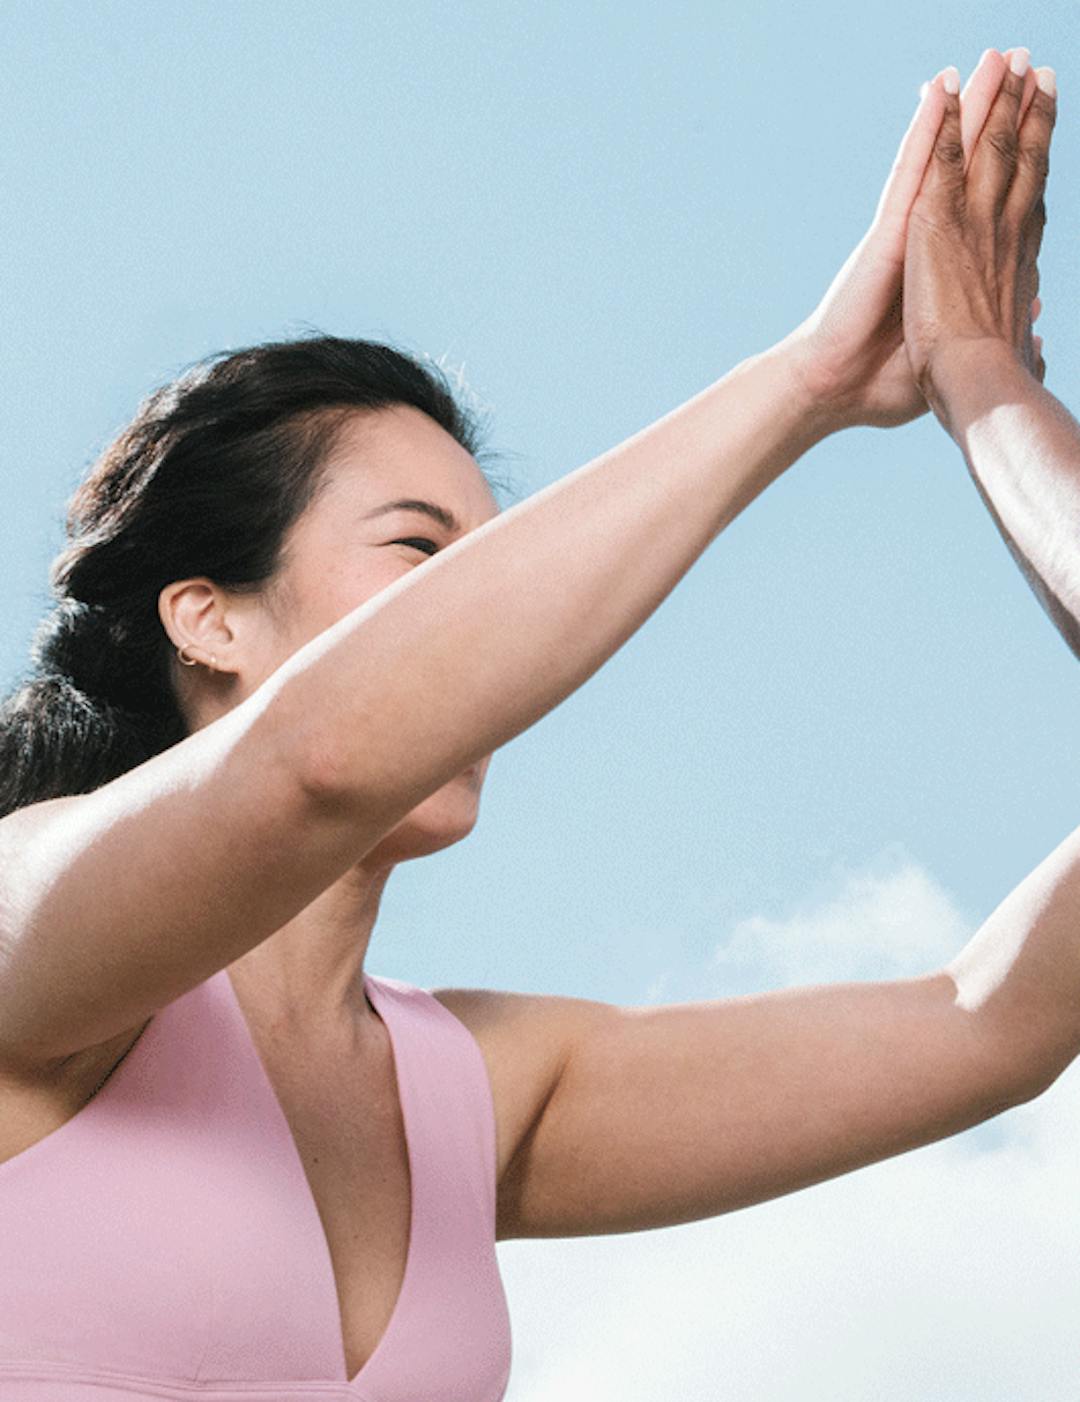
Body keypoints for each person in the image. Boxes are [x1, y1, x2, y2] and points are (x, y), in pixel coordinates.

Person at [0, 43, 1069, 1402]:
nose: (488, 639)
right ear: (208, 617)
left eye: (494, 576)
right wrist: (805, 384)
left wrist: (981, 378)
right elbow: (308, 766)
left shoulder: (479, 1094)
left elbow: (998, 1022)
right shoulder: (27, 926)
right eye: (420, 556)